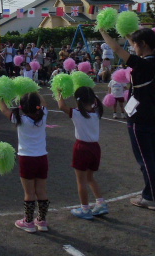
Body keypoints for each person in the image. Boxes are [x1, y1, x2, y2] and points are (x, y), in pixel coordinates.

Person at [99, 27, 155, 210]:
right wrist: (127, 32)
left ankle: (151, 196)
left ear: (143, 44)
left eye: (135, 44)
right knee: (154, 155)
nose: (133, 47)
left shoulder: (144, 63)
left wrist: (103, 31)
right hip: (152, 113)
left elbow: (116, 49)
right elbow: (131, 45)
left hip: (140, 115)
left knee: (145, 158)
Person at [0, 92, 50, 233]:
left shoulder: (19, 119)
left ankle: (28, 222)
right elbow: (44, 103)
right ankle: (42, 220)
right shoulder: (43, 115)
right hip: (42, 158)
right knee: (41, 190)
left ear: (22, 107)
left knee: (29, 192)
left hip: (27, 159)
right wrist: (36, 91)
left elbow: (4, 109)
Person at [57, 87, 108, 219]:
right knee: (90, 178)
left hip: (81, 148)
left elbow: (62, 106)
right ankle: (101, 203)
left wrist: (59, 93)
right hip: (95, 148)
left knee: (81, 181)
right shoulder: (97, 112)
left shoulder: (77, 113)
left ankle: (85, 209)